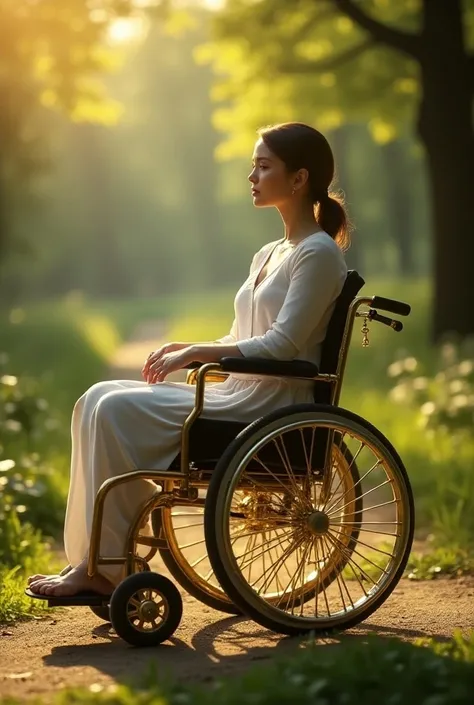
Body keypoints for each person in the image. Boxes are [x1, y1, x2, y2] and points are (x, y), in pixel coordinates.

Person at [28, 122, 350, 598]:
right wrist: (189, 347)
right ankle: (95, 560)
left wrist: (200, 353)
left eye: (263, 166)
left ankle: (107, 567)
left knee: (115, 410)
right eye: (253, 166)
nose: (252, 176)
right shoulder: (269, 252)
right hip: (237, 390)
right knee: (95, 397)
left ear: (299, 178)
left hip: (270, 405)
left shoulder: (318, 254)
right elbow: (243, 337)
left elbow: (282, 346)